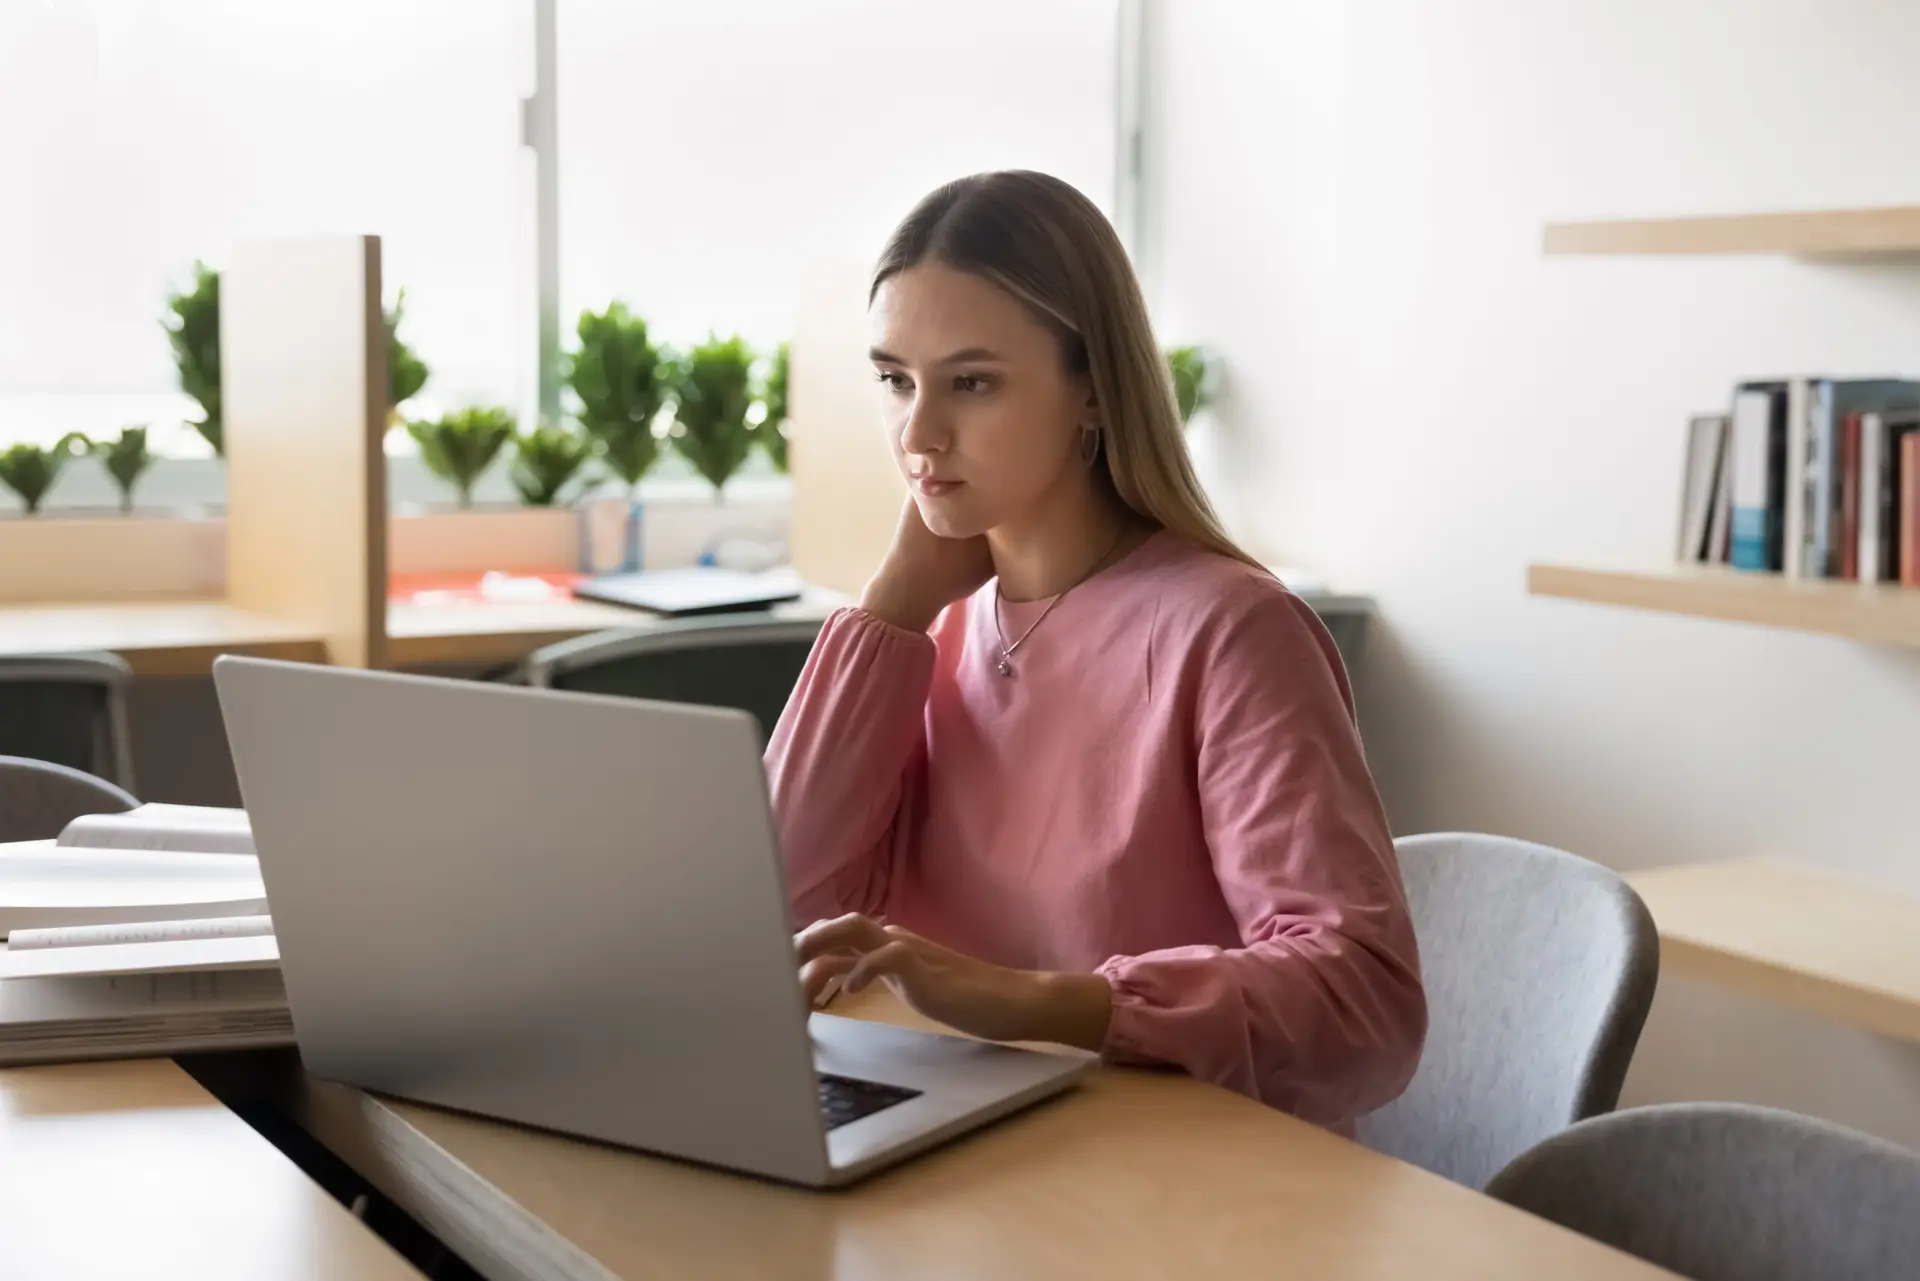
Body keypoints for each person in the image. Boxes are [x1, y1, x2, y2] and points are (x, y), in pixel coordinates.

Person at [768, 170, 1424, 1131]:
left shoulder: (1233, 632)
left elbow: (1362, 1003)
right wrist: (892, 610)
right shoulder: (932, 634)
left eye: (972, 382)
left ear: (1092, 393)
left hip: (1177, 1176)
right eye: (894, 381)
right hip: (969, 1145)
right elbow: (780, 904)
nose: (919, 433)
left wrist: (1036, 1001)